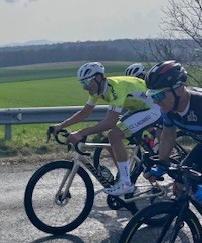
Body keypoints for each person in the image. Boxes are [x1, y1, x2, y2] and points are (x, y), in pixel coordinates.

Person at [49, 62, 161, 196]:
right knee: (110, 141)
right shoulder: (97, 90)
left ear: (98, 78)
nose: (84, 87)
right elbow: (84, 113)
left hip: (154, 108)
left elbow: (110, 122)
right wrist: (61, 126)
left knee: (114, 135)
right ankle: (126, 179)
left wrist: (81, 133)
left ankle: (126, 183)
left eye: (86, 82)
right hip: (139, 109)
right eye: (82, 83)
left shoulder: (115, 88)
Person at [144, 60, 202, 206]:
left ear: (178, 89)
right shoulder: (168, 109)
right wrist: (162, 163)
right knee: (181, 185)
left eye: (159, 96)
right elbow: (168, 134)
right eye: (152, 96)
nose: (156, 102)